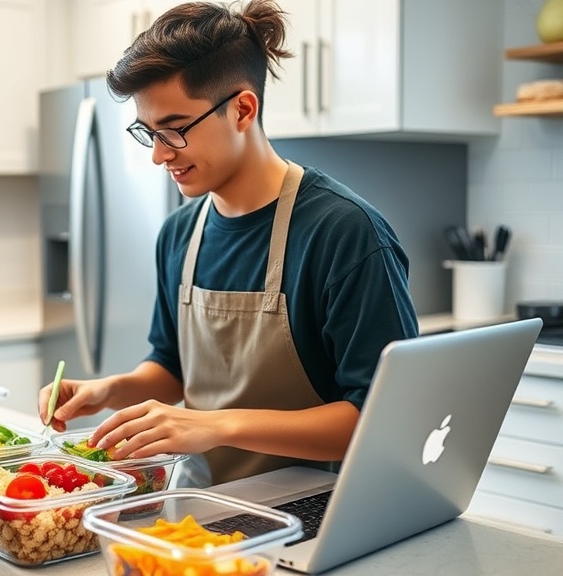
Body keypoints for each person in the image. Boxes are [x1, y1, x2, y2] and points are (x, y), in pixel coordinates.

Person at [38, 0, 419, 488]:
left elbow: (382, 419)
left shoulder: (346, 233)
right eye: (147, 133)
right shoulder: (179, 233)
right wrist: (112, 390)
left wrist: (218, 425)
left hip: (321, 510)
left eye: (174, 130)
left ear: (242, 109)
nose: (158, 155)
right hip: (205, 509)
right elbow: (172, 368)